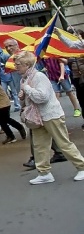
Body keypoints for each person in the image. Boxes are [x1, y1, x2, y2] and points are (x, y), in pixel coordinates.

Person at [14, 51, 84, 185]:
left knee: (63, 143)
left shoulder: (38, 76)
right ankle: (44, 173)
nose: (16, 67)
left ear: (27, 64)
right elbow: (31, 99)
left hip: (50, 115)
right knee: (40, 146)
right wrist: (23, 96)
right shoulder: (25, 78)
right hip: (38, 117)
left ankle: (82, 167)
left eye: (18, 64)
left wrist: (27, 89)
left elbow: (42, 97)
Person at [0, 37, 21, 111]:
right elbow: (0, 55)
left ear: (17, 45)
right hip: (21, 92)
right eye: (6, 47)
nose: (8, 48)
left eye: (10, 45)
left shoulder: (26, 55)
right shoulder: (10, 58)